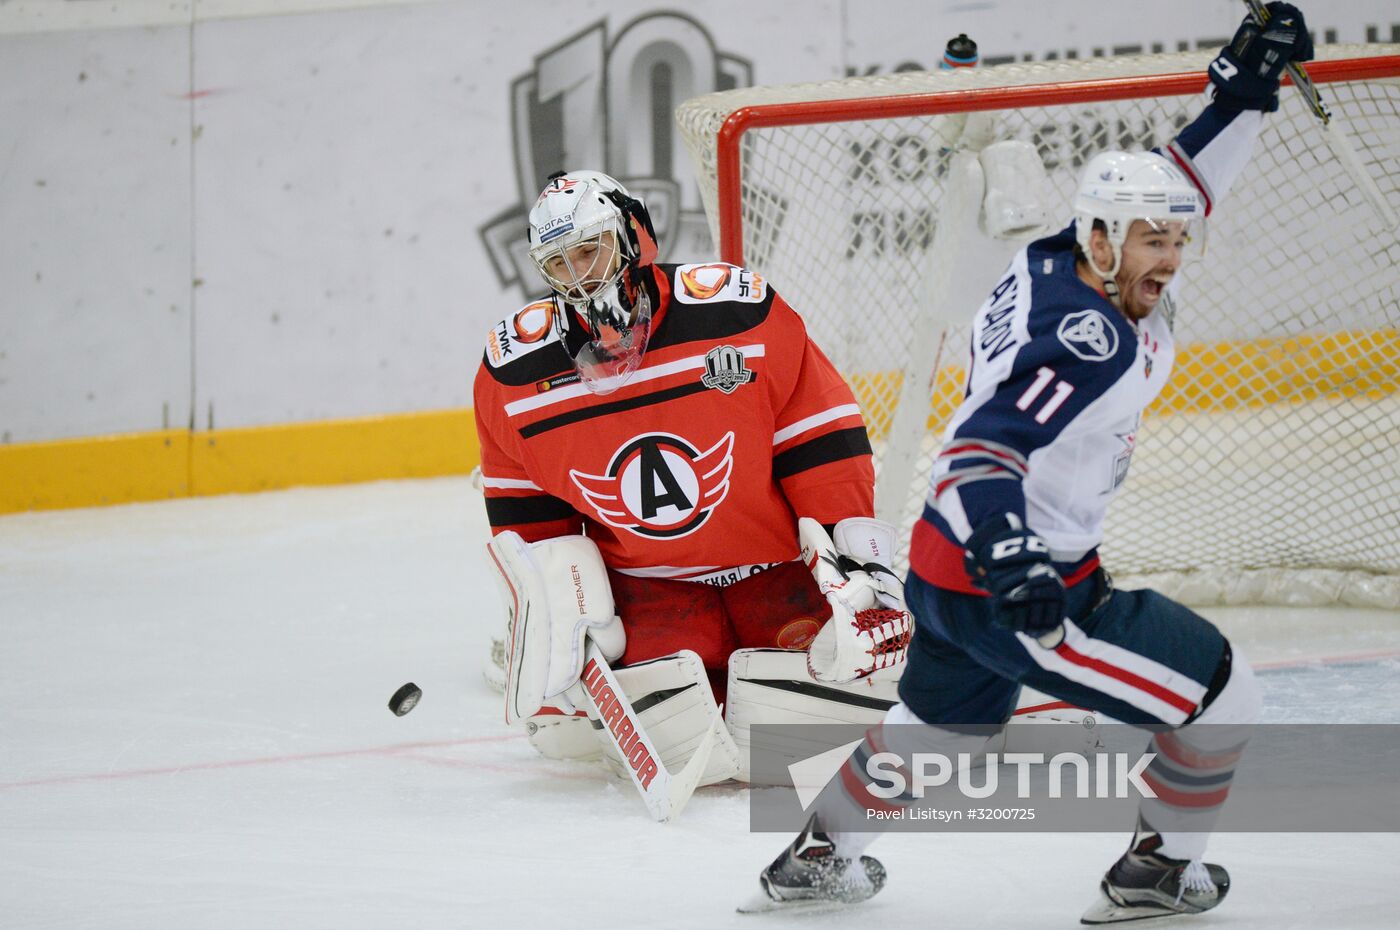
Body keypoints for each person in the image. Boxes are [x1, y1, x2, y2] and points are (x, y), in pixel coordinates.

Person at [746, 4, 1314, 922]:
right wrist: (1017, 565)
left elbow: (1181, 178)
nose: (1169, 256)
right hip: (1012, 574)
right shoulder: (1088, 339)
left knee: (936, 729)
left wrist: (1242, 91)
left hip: (938, 559)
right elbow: (982, 450)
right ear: (1103, 240)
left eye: (1174, 239)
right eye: (1151, 241)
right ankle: (1158, 873)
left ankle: (817, 856)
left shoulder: (1059, 254)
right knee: (1223, 694)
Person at [472, 169, 913, 784]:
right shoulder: (515, 376)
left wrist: (858, 561)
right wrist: (557, 610)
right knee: (624, 726)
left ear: (633, 236)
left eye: (590, 251)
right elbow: (531, 518)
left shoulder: (735, 314)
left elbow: (818, 440)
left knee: (834, 689)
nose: (580, 276)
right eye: (560, 263)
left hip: (775, 573)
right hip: (652, 595)